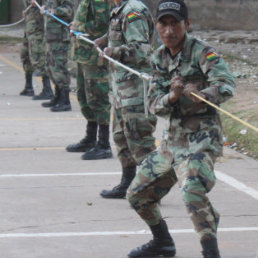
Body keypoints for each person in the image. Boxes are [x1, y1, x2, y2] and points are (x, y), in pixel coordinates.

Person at [127, 0, 235, 257]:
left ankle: (210, 251)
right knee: (137, 195)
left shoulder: (202, 52)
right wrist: (173, 96)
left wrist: (202, 93)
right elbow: (154, 105)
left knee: (192, 191)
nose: (168, 30)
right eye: (163, 24)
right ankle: (162, 242)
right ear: (156, 26)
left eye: (175, 23)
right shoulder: (158, 57)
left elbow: (227, 84)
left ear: (187, 24)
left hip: (201, 138)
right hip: (172, 143)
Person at [94, 0, 157, 198]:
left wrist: (115, 51)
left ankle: (152, 189)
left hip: (136, 90)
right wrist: (105, 40)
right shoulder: (119, 10)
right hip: (122, 89)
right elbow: (120, 35)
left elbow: (141, 49)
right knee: (121, 138)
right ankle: (127, 183)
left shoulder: (133, 12)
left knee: (139, 140)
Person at [65, 0, 112, 160]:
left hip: (93, 56)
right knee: (84, 98)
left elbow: (102, 23)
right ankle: (90, 138)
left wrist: (79, 28)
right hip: (82, 54)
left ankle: (104, 144)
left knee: (98, 98)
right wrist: (76, 24)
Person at [38, 0, 74, 112]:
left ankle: (65, 100)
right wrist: (44, 8)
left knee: (60, 69)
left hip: (60, 37)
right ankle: (57, 96)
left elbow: (69, 10)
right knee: (51, 68)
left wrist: (53, 11)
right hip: (51, 36)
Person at [20, 0, 54, 100]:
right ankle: (28, 86)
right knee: (25, 56)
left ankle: (47, 89)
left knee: (39, 58)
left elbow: (50, 5)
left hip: (38, 29)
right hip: (29, 28)